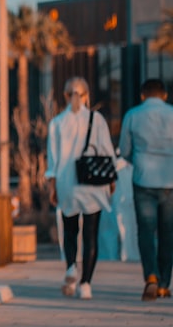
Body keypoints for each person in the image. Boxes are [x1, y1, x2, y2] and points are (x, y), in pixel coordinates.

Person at [45, 76, 117, 300]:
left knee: (69, 230)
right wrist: (111, 181)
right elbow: (107, 152)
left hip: (67, 184)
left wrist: (52, 187)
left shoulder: (57, 123)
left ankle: (70, 268)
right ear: (86, 95)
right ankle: (85, 284)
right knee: (90, 235)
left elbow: (53, 160)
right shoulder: (97, 120)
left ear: (65, 96)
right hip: (92, 185)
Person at [119, 78, 173, 301]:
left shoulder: (132, 115)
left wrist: (138, 159)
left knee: (146, 231)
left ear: (143, 95)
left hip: (142, 179)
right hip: (170, 180)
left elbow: (124, 150)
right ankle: (163, 285)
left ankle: (150, 275)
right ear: (165, 95)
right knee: (168, 232)